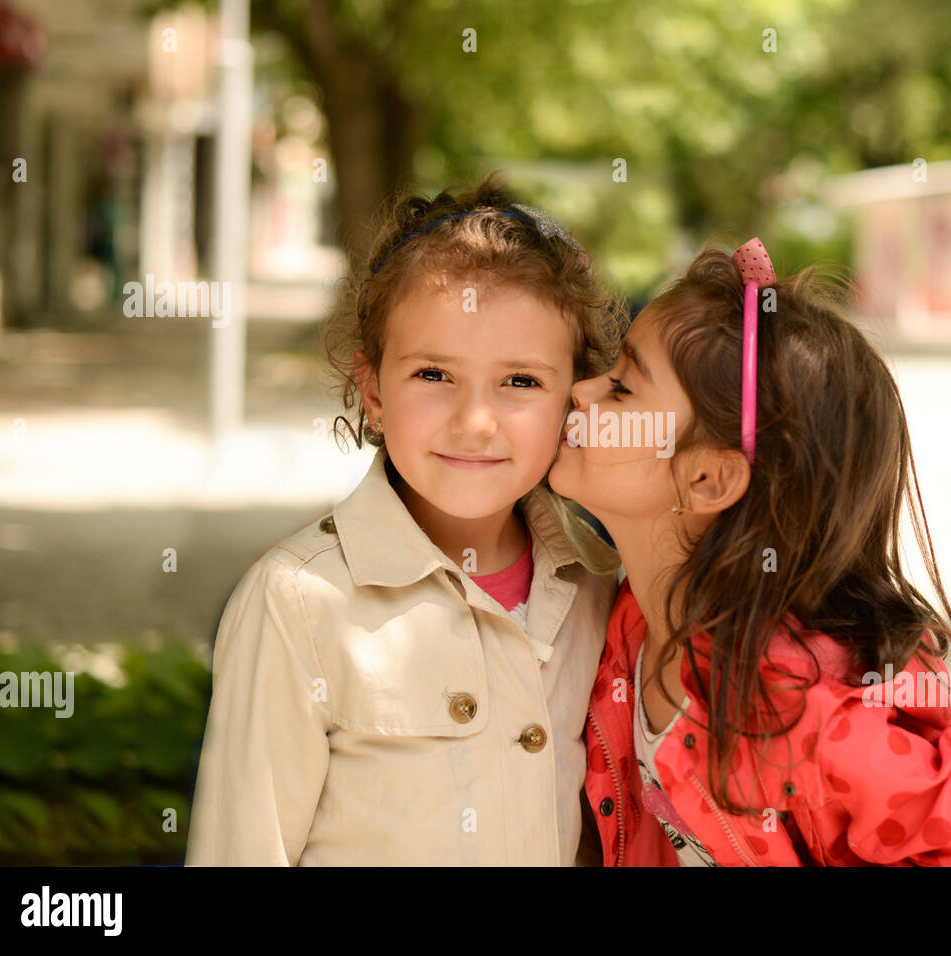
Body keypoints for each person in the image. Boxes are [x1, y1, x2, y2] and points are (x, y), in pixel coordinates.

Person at [550, 239, 951, 865]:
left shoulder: (809, 705)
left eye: (622, 389)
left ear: (709, 480)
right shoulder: (627, 624)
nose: (581, 391)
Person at [185, 175, 627, 865]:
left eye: (520, 382)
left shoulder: (602, 583)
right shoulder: (298, 603)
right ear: (373, 392)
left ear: (574, 400)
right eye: (432, 375)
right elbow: (242, 847)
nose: (475, 422)